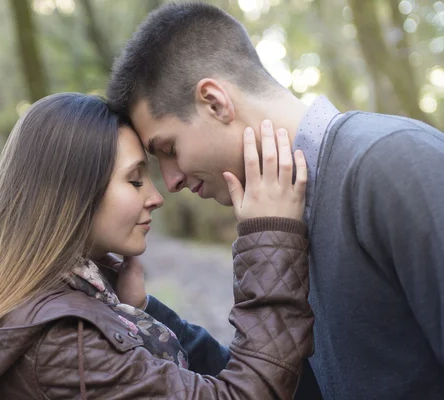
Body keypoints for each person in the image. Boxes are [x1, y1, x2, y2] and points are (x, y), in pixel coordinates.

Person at [106, 2, 444, 400]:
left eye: (168, 149)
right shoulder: (279, 216)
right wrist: (147, 311)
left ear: (215, 102)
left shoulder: (391, 162)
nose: (172, 181)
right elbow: (292, 388)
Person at [0, 92, 313, 399]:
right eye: (135, 179)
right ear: (71, 195)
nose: (156, 196)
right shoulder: (61, 344)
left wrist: (139, 311)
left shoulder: (54, 310)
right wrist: (269, 237)